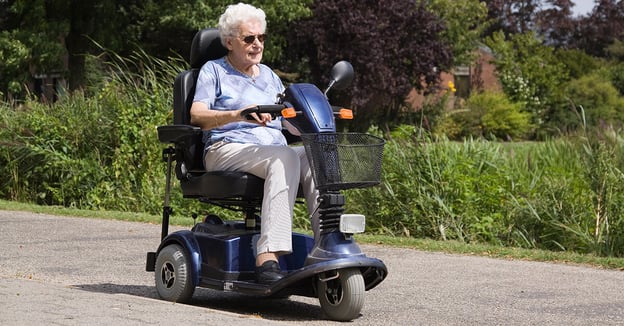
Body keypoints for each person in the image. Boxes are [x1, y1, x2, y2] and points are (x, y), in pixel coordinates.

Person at [189, 3, 319, 284]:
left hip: (269, 150)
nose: (257, 44)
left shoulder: (270, 75)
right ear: (229, 41)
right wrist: (238, 114)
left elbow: (287, 123)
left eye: (261, 38)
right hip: (226, 147)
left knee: (314, 157)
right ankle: (268, 255)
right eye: (249, 38)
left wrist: (307, 118)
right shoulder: (214, 71)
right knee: (284, 157)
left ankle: (326, 245)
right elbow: (197, 115)